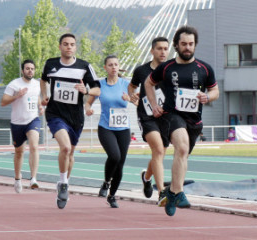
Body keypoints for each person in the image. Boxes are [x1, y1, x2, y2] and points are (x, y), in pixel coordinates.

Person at [144, 26, 219, 216]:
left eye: (191, 44)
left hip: (194, 119)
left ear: (195, 45)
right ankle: (179, 192)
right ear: (176, 45)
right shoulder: (166, 67)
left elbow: (215, 91)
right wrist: (154, 104)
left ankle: (171, 192)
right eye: (184, 44)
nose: (187, 47)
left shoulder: (204, 68)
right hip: (171, 115)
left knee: (183, 156)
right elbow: (148, 83)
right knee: (182, 148)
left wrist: (207, 97)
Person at [41, 33, 100, 209]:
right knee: (65, 147)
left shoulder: (84, 66)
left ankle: (64, 181)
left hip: (75, 117)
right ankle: (63, 183)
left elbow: (98, 89)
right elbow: (43, 80)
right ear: (60, 46)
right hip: (55, 113)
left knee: (71, 153)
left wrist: (86, 90)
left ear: (75, 47)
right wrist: (45, 96)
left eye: (72, 44)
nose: (69, 47)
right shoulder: (51, 64)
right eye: (65, 44)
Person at [85, 55, 131, 208]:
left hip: (124, 129)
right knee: (114, 156)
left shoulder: (126, 84)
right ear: (105, 67)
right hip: (106, 127)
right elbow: (88, 102)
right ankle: (106, 182)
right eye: (110, 65)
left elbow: (137, 101)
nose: (113, 67)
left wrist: (130, 99)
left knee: (120, 164)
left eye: (116, 64)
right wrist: (88, 109)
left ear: (119, 67)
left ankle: (112, 196)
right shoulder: (100, 85)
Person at [128, 37, 170, 205]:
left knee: (160, 152)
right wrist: (132, 96)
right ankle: (161, 192)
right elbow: (131, 86)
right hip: (146, 115)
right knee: (158, 150)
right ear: (152, 51)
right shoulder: (141, 71)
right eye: (159, 48)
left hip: (166, 116)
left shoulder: (172, 70)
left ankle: (146, 178)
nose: (163, 52)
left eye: (166, 48)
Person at [1, 59, 43, 193]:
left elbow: (36, 97)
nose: (30, 71)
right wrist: (17, 96)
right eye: (27, 68)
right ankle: (18, 178)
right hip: (17, 122)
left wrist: (40, 106)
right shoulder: (14, 84)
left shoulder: (37, 84)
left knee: (34, 146)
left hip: (33, 120)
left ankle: (33, 178)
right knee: (19, 152)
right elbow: (3, 102)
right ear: (22, 70)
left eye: (32, 68)